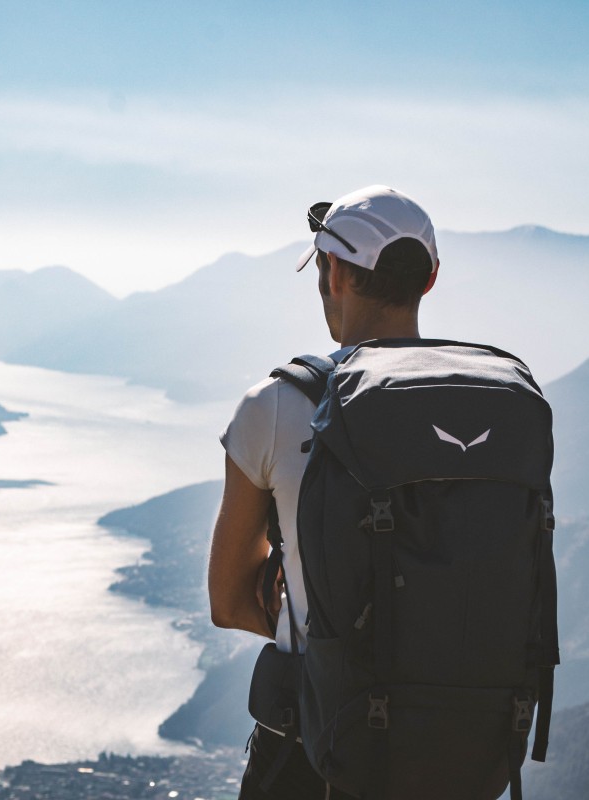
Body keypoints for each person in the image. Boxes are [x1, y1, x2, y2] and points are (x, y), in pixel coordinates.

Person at [208, 185, 440, 799]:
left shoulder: (280, 405)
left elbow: (228, 601)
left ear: (332, 271)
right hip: (450, 752)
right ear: (430, 279)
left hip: (313, 750)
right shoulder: (492, 411)